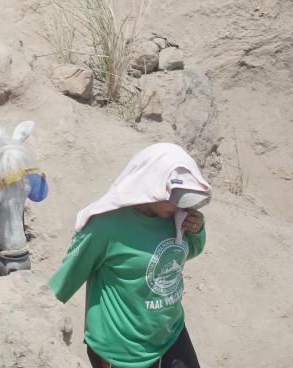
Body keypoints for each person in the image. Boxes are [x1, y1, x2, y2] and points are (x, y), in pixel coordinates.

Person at [48, 142, 210, 368]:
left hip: (170, 333)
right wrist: (35, 316)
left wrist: (196, 230)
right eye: (175, 199)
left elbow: (184, 252)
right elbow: (66, 279)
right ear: (151, 186)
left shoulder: (175, 215)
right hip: (123, 352)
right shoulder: (106, 226)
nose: (180, 207)